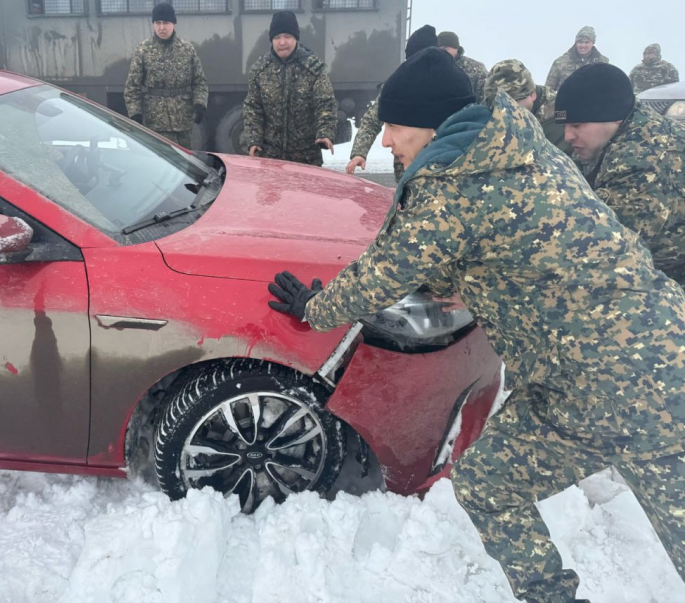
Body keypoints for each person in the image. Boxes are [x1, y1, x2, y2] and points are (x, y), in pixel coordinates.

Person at [268, 47, 685, 603]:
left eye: (393, 126)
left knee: (493, 486)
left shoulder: (452, 189)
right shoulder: (521, 150)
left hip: (618, 387)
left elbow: (380, 277)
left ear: (429, 124)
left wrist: (314, 308)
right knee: (492, 483)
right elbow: (507, 246)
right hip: (642, 359)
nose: (385, 141)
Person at [556, 62, 685, 284]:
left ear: (612, 117)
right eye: (565, 126)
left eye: (576, 125)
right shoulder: (624, 128)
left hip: (671, 285)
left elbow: (601, 249)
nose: (568, 136)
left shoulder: (643, 162)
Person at [346, 24, 440, 181]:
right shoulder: (397, 85)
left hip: (440, 169)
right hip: (405, 170)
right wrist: (359, 153)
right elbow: (372, 120)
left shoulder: (449, 86)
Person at [242, 11, 337, 166]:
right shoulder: (260, 69)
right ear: (271, 40)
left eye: (287, 36)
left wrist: (325, 133)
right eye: (277, 37)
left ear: (296, 38)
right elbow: (253, 108)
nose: (282, 42)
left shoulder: (313, 68)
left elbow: (325, 103)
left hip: (306, 157)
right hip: (270, 157)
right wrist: (254, 140)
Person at [124, 3, 209, 150]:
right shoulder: (143, 50)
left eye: (166, 23)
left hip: (183, 123)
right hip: (156, 123)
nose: (161, 28)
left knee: (186, 165)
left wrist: (200, 104)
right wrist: (135, 113)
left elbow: (199, 82)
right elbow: (132, 87)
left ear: (174, 24)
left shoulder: (187, 50)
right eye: (158, 23)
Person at [484, 59, 573, 157]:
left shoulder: (558, 116)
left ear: (533, 95)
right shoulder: (489, 109)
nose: (505, 109)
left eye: (514, 102)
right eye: (498, 103)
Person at [544, 26, 609, 90]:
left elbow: (608, 88)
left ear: (593, 43)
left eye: (587, 42)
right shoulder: (560, 63)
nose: (583, 45)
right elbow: (547, 91)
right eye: (580, 42)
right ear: (576, 43)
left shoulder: (603, 64)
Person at [437, 31, 487, 104]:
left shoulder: (476, 68)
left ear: (456, 48)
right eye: (439, 49)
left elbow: (485, 96)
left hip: (469, 113)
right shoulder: (431, 68)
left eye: (446, 49)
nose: (442, 52)